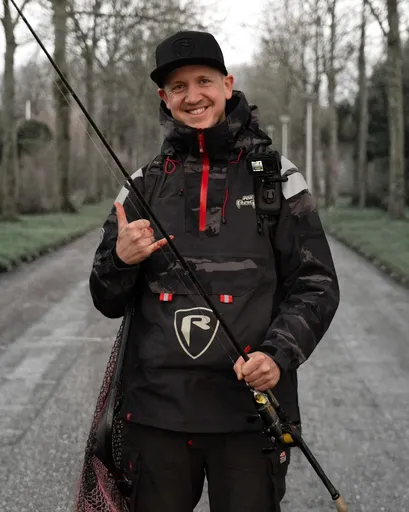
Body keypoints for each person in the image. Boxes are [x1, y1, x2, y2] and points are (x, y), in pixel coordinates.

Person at [88, 30, 340, 512]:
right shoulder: (141, 186)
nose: (193, 96)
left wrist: (277, 354)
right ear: (164, 98)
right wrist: (119, 259)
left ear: (227, 84)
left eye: (203, 81)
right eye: (178, 87)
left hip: (251, 416)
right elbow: (106, 299)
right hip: (156, 417)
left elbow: (317, 285)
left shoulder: (277, 178)